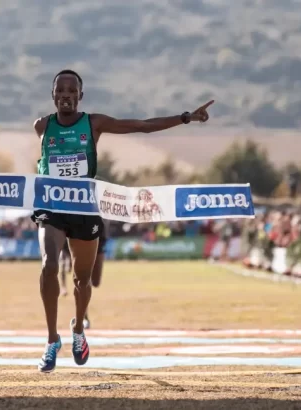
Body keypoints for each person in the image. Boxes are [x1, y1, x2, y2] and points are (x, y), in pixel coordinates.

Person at [32, 69, 213, 373]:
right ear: (52, 95)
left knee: (82, 280)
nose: (65, 96)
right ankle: (52, 340)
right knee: (49, 265)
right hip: (51, 208)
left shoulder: (93, 123)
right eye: (60, 91)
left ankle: (78, 329)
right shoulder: (42, 126)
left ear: (80, 96)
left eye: (71, 91)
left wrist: (186, 117)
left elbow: (141, 126)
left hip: (86, 209)